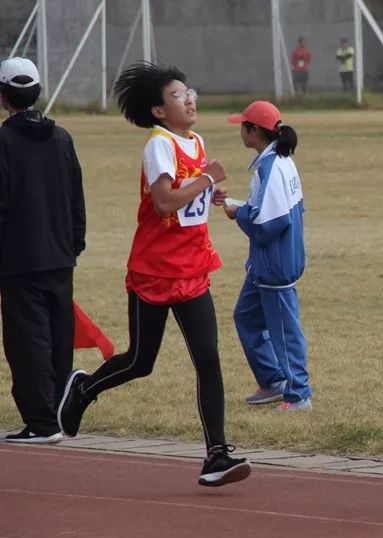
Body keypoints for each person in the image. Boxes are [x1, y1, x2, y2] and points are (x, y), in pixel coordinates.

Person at [57, 61, 251, 487]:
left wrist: (208, 192)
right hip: (155, 270)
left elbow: (186, 198)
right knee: (141, 362)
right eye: (178, 95)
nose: (190, 98)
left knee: (209, 360)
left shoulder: (195, 139)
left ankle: (216, 454)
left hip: (193, 267)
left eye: (189, 91)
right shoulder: (159, 144)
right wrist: (205, 179)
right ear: (160, 111)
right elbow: (164, 203)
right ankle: (84, 389)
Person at [0, 58, 85, 444]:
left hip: (18, 258)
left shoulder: (3, 140)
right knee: (57, 333)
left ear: (4, 96)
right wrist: (74, 243)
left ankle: (41, 421)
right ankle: (57, 411)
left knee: (27, 339)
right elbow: (75, 197)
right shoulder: (62, 137)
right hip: (60, 253)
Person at [224, 101, 312, 411]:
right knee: (246, 316)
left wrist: (238, 213)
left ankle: (298, 394)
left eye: (243, 125)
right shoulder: (278, 160)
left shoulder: (270, 166)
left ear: (254, 131)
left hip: (275, 263)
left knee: (285, 332)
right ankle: (273, 380)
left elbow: (270, 223)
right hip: (266, 262)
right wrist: (240, 205)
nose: (240, 131)